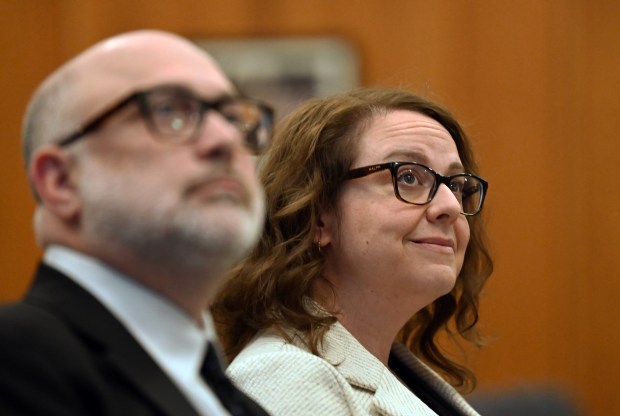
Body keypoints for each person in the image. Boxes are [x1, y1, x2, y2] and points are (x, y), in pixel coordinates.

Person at [0, 30, 273, 416]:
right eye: (169, 111)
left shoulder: (244, 406)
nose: (225, 139)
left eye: (233, 118)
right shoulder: (15, 362)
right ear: (61, 181)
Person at [212, 87, 493, 416]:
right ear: (318, 216)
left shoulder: (400, 374)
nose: (450, 206)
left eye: (457, 185)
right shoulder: (285, 378)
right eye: (408, 176)